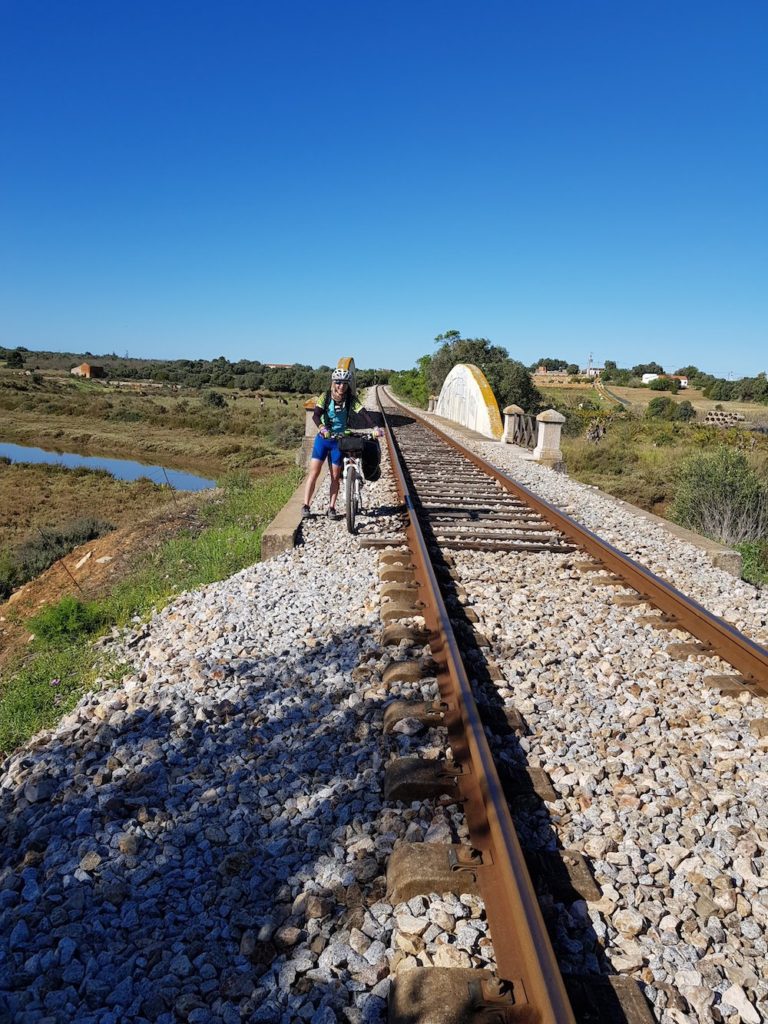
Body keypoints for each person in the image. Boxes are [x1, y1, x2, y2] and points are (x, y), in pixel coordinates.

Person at [302, 369, 379, 519]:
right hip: (323, 439)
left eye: (344, 383)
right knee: (314, 472)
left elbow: (364, 413)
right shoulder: (326, 396)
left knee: (336, 476)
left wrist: (375, 427)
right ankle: (306, 505)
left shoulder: (351, 399)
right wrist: (322, 428)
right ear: (333, 383)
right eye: (338, 382)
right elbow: (316, 415)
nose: (341, 386)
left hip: (339, 441)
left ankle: (331, 507)